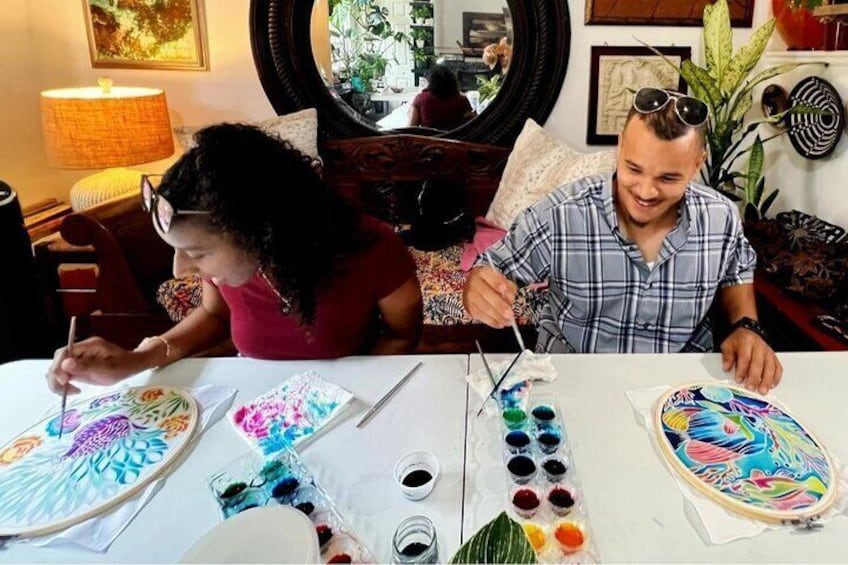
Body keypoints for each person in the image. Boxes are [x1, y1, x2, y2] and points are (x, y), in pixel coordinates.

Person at [47, 123, 423, 395]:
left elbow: (403, 335)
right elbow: (215, 315)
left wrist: (342, 395)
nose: (179, 271)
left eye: (196, 253)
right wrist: (134, 361)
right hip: (253, 410)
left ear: (260, 231)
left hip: (347, 409)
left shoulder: (372, 246)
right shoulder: (232, 268)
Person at [462, 87, 783, 394]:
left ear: (697, 164)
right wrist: (478, 286)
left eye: (667, 178)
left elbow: (735, 275)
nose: (645, 191)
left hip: (680, 383)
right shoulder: (561, 213)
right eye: (633, 168)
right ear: (620, 147)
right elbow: (492, 268)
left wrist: (747, 327)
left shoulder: (721, 217)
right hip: (573, 375)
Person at [409, 64, 476, 131]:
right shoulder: (461, 99)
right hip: (453, 139)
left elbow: (411, 128)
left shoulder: (421, 98)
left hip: (428, 140)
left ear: (431, 81)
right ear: (452, 81)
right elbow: (473, 121)